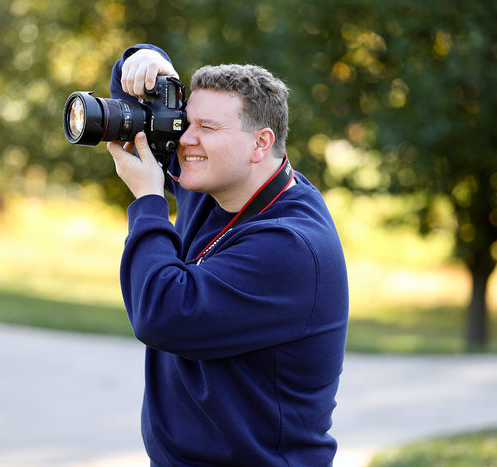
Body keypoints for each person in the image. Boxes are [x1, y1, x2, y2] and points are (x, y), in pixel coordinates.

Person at [106, 44, 349, 466]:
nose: (185, 139)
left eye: (208, 127)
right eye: (186, 122)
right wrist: (145, 60)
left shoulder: (290, 247)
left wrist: (148, 200)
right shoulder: (222, 185)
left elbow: (162, 313)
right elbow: (135, 114)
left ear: (260, 143)